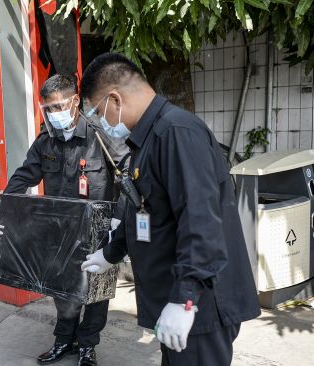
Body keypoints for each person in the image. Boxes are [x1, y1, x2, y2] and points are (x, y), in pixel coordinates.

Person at [80, 53, 261, 365]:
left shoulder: (176, 133)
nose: (102, 125)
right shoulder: (146, 141)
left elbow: (201, 222)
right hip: (176, 300)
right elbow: (144, 210)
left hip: (201, 307)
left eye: (98, 114)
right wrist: (111, 253)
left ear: (115, 99)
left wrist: (184, 300)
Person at [0, 74, 118, 366]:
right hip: (59, 233)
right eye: (48, 109)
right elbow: (24, 176)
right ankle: (64, 340)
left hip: (97, 232)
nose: (54, 114)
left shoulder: (101, 135)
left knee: (96, 294)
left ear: (74, 101)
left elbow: (126, 175)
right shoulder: (46, 140)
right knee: (61, 289)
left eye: (59, 106)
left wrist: (120, 221)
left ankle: (87, 345)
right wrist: (0, 211)